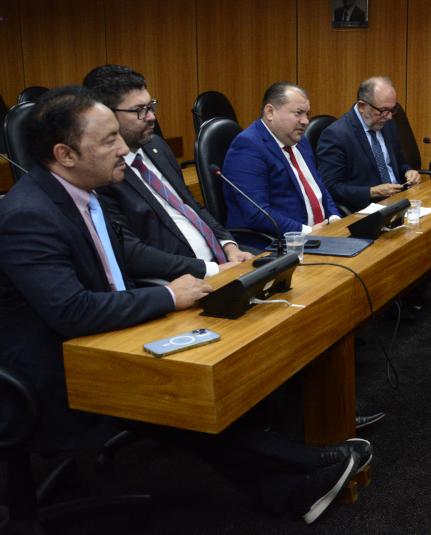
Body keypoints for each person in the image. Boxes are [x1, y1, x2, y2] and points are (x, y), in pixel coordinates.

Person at [0, 86, 370, 524]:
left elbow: (124, 251)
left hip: (100, 335)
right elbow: (71, 311)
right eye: (109, 140)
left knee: (210, 361)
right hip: (51, 370)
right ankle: (304, 469)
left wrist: (194, 275)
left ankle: (294, 487)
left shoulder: (82, 190)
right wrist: (167, 296)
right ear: (65, 154)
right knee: (180, 390)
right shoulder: (29, 215)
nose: (123, 149)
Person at [82, 65, 254, 276]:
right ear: (106, 115)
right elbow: (131, 252)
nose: (151, 117)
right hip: (183, 278)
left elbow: (191, 205)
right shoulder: (102, 174)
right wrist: (211, 270)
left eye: (151, 106)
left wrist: (229, 245)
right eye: (139, 110)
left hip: (222, 261)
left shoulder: (157, 146)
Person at [223, 82, 340, 248]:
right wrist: (306, 232)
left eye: (307, 114)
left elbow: (319, 187)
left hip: (321, 236)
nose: (306, 121)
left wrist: (334, 218)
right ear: (270, 112)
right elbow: (257, 213)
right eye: (298, 113)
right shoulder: (248, 147)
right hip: (278, 244)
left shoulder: (300, 141)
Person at [317, 76, 421, 212]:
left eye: (392, 110)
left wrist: (408, 171)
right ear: (362, 106)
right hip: (367, 209)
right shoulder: (336, 135)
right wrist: (371, 192)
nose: (389, 116)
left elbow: (399, 161)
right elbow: (331, 187)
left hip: (400, 201)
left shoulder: (387, 123)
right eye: (383, 110)